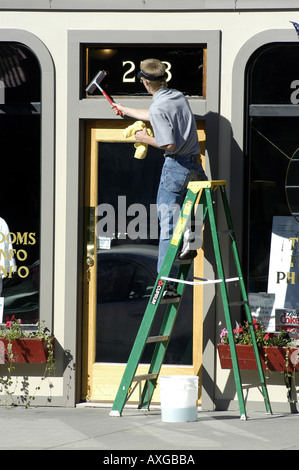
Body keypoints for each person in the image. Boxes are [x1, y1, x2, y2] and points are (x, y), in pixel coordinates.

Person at [112, 58, 207, 299]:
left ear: (144, 82)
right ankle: (190, 238)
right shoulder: (177, 96)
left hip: (175, 167)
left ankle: (166, 284)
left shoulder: (158, 107)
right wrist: (125, 110)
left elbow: (168, 143)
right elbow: (154, 113)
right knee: (188, 214)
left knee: (167, 226)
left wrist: (144, 138)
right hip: (195, 166)